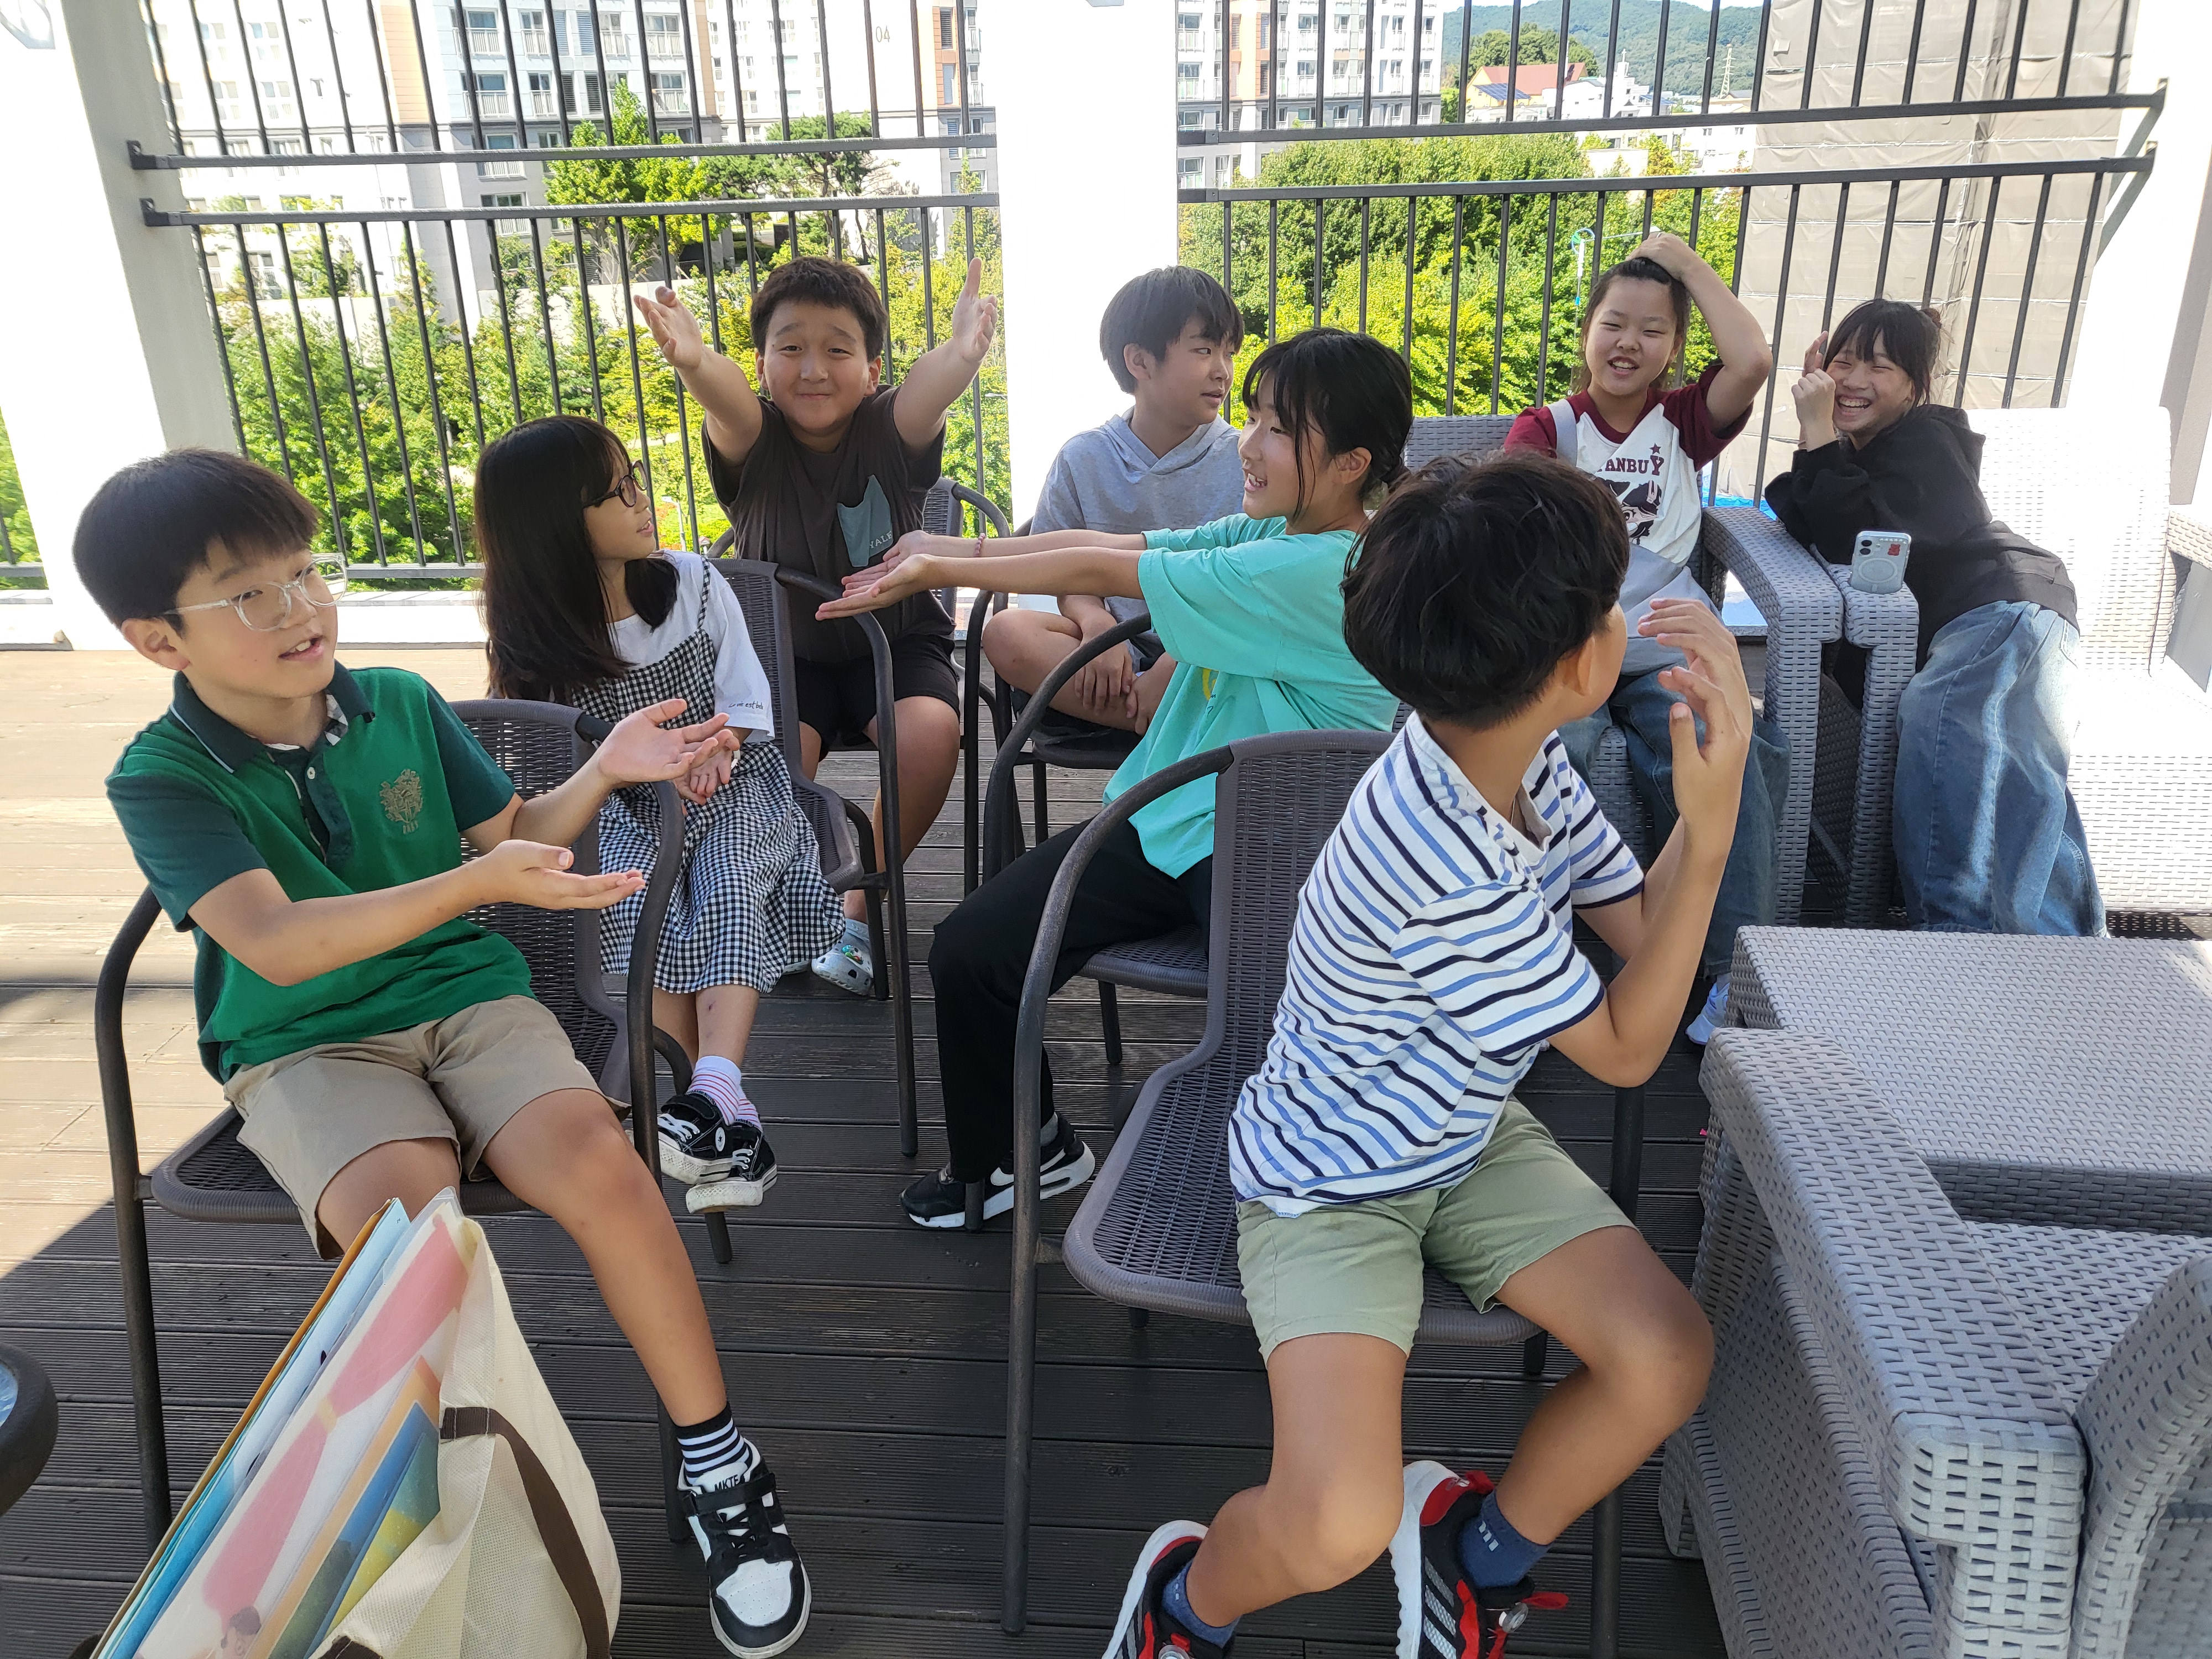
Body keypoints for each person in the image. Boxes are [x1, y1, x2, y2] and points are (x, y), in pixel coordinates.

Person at [81, 451, 811, 1659]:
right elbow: (278, 944)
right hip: (305, 1042)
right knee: (407, 1242)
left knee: (602, 1164)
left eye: (306, 572)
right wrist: (475, 883)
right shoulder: (163, 778)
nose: (301, 608)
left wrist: (603, 771)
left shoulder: (400, 703)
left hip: (467, 996)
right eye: (250, 594)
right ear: (160, 640)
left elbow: (517, 833)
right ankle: (466, 1506)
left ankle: (716, 1460)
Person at [1101, 451, 1731, 1659]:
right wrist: (1710, 827)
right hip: (1331, 1185)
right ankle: (1185, 1601)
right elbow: (1624, 1048)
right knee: (1332, 1522)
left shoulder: (1514, 756)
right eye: (1608, 606)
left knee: (1662, 1358)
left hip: (1462, 1131)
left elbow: (1643, 930)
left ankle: (1470, 1557)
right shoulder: (1438, 852)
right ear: (1579, 666)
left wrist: (1698, 838)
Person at [818, 327, 1410, 1228]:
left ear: (1352, 464)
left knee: (1270, 1035)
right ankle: (1027, 1151)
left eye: (1280, 429)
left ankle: (1331, 1182)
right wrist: (945, 546)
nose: (1249, 443)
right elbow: (1110, 542)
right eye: (1254, 416)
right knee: (973, 948)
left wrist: (943, 566)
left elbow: (1106, 567)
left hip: (1277, 858)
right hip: (1180, 822)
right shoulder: (1278, 528)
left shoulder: (1324, 569)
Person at [476, 415, 847, 1216]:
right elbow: (547, 756)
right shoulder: (533, 635)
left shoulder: (693, 583)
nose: (641, 500)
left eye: (634, 480)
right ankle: (719, 1118)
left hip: (733, 779)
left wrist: (719, 745)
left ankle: (706, 1093)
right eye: (616, 493)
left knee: (731, 881)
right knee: (639, 898)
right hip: (618, 800)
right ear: (555, 526)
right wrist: (630, 775)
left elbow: (746, 695)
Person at [633, 254, 997, 994]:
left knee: (928, 735)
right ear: (763, 364)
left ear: (870, 369)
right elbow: (728, 404)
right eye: (791, 347)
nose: (813, 369)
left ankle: (859, 908)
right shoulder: (755, 439)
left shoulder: (888, 430)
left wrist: (962, 356)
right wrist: (696, 363)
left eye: (837, 349)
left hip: (894, 645)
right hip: (781, 657)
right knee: (771, 764)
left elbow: (925, 396)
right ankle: (795, 897)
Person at [1505, 232, 1785, 1044]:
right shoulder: (1547, 429)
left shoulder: (1685, 422)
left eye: (1653, 328)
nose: (1629, 342)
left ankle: (1732, 974)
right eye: (1614, 323)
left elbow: (1752, 362)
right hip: (1570, 638)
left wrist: (1686, 264)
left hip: (1665, 633)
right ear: (1586, 332)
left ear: (1674, 347)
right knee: (1551, 755)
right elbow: (1513, 525)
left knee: (1718, 746)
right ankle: (1537, 959)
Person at [1766, 300, 2103, 935]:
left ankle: (1957, 937)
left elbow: (1854, 539)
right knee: (2022, 781)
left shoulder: (1928, 439)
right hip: (1992, 622)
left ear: (1914, 387)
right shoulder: (1860, 455)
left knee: (1942, 722)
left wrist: (1821, 435)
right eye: (1842, 362)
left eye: (1880, 367)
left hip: (2002, 611)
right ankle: (2065, 949)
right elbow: (1806, 517)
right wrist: (1816, 433)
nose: (1854, 380)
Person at [975, 265, 1246, 737]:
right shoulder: (1084, 458)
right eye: (1204, 350)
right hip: (1113, 663)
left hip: (1213, 653)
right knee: (1006, 632)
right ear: (1139, 361)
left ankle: (1152, 721)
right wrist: (1096, 623)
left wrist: (1180, 662)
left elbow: (1250, 592)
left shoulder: (1247, 460)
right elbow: (1062, 573)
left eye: (1229, 353)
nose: (1222, 370)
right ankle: (1163, 722)